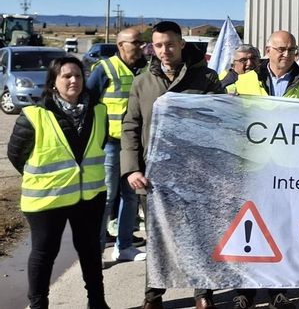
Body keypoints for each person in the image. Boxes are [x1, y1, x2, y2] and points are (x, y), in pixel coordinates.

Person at [122, 21, 225, 309]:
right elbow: (131, 126)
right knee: (157, 238)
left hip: (197, 172)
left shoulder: (205, 77)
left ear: (181, 43)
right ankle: (153, 296)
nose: (164, 50)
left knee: (200, 233)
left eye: (169, 44)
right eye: (158, 45)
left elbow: (220, 121)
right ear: (151, 48)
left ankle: (203, 292)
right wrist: (132, 169)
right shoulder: (143, 82)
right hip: (154, 177)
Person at [227, 31, 299, 309]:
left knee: (282, 229)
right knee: (248, 229)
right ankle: (244, 290)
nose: (286, 54)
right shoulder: (243, 81)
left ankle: (278, 290)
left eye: (292, 50)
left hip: (290, 168)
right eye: (281, 49)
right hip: (253, 165)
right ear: (268, 50)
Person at [8, 56, 109, 309]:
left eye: (78, 75)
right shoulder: (33, 115)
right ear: (54, 82)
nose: (74, 80)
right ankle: (39, 304)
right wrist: (45, 177)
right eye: (66, 76)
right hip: (47, 198)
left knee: (90, 252)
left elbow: (99, 145)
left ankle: (97, 302)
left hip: (89, 196)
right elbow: (15, 155)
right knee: (44, 253)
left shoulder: (99, 111)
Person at [85, 27, 146, 262]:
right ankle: (97, 251)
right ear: (121, 45)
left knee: (130, 197)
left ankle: (125, 246)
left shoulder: (145, 69)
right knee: (108, 197)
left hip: (133, 146)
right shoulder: (105, 68)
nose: (141, 47)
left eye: (142, 43)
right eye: (136, 43)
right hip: (110, 145)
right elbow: (89, 103)